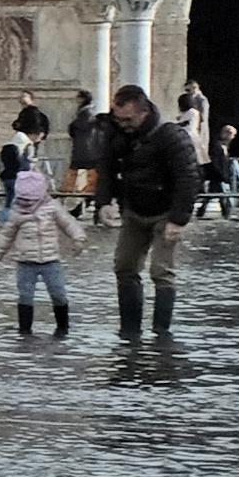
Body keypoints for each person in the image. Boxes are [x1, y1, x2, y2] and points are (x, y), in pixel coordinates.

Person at [98, 80, 203, 342]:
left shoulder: (171, 135)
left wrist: (178, 220)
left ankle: (161, 332)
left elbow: (188, 178)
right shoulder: (115, 134)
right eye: (118, 118)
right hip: (133, 209)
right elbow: (106, 170)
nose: (123, 123)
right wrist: (103, 203)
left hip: (166, 211)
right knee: (124, 265)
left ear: (144, 112)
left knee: (161, 270)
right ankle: (130, 330)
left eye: (128, 119)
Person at [0, 140, 73, 334]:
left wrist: (78, 238)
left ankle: (63, 327)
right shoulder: (16, 213)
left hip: (50, 260)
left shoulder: (52, 207)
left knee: (58, 293)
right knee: (25, 296)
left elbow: (68, 223)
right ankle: (25, 329)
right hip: (25, 262)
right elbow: (5, 236)